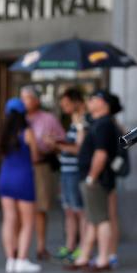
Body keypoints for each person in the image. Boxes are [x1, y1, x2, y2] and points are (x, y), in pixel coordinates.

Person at [68, 90, 120, 273]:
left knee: (101, 219)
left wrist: (92, 176)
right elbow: (82, 148)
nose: (89, 101)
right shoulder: (96, 124)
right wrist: (81, 127)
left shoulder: (104, 124)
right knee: (93, 219)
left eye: (93, 99)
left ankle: (103, 259)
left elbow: (101, 153)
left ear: (104, 104)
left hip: (97, 178)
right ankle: (85, 256)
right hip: (92, 177)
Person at [0, 98, 41, 273]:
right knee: (28, 222)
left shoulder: (3, 133)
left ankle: (10, 259)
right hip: (23, 178)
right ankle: (22, 259)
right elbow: (35, 157)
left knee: (9, 219)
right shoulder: (27, 132)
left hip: (5, 177)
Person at [20, 85, 65, 260]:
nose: (25, 102)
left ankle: (40, 246)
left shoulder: (48, 119)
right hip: (21, 166)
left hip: (41, 166)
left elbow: (61, 141)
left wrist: (52, 144)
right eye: (22, 98)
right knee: (19, 209)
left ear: (37, 100)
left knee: (40, 208)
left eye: (28, 97)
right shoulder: (17, 119)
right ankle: (18, 247)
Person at [55, 88, 87, 262]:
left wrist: (58, 145)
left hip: (75, 171)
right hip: (66, 170)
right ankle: (70, 245)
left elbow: (80, 149)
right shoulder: (74, 121)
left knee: (79, 210)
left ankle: (82, 247)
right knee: (68, 210)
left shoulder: (84, 121)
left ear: (76, 102)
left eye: (67, 104)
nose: (64, 108)